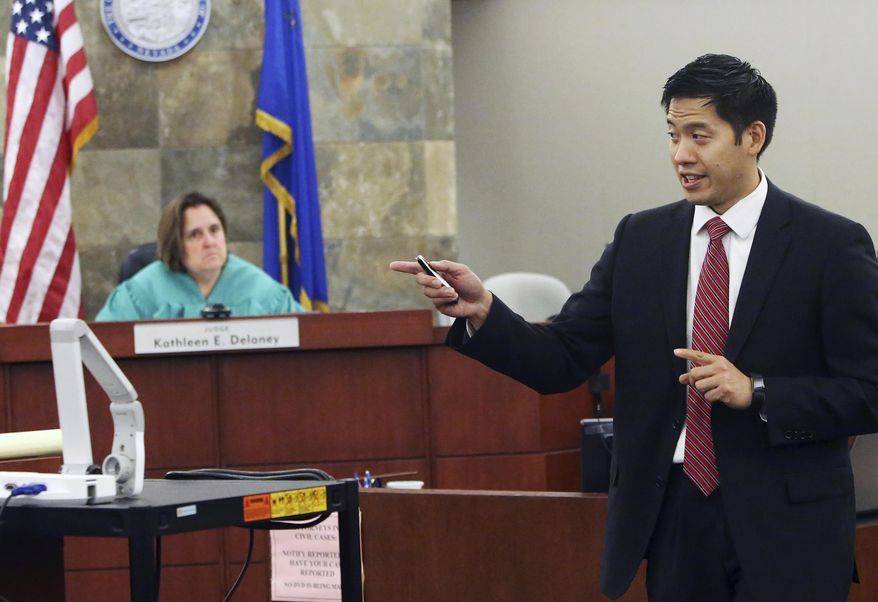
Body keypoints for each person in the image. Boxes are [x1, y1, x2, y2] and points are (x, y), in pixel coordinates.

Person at [391, 54, 878, 601]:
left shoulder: (830, 246)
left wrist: (758, 391)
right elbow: (562, 359)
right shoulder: (641, 240)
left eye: (700, 136)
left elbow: (869, 392)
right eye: (672, 135)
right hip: (670, 516)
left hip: (790, 530)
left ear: (753, 136)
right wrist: (483, 310)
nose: (681, 156)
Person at [96, 192, 303, 320]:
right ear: (175, 244)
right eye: (195, 235)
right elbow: (104, 350)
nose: (209, 242)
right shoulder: (140, 293)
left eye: (214, 230)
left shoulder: (262, 290)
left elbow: (308, 338)